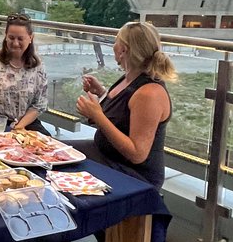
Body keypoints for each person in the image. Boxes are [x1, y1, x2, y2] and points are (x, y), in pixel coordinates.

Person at [75, 21, 176, 188]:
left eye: (116, 41)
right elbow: (124, 114)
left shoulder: (149, 93)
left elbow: (137, 154)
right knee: (53, 151)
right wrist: (101, 94)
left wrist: (97, 116)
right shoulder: (130, 78)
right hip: (107, 156)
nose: (113, 45)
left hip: (133, 175)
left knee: (60, 166)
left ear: (123, 50)